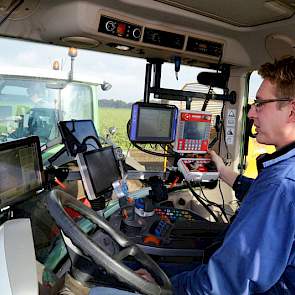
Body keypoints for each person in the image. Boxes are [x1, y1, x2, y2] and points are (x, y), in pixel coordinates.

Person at [91, 56, 295, 294]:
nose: (251, 114)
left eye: (260, 103)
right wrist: (224, 173)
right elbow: (266, 201)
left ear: (291, 111)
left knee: (106, 284)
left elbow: (225, 284)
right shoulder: (283, 176)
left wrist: (164, 286)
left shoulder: (281, 183)